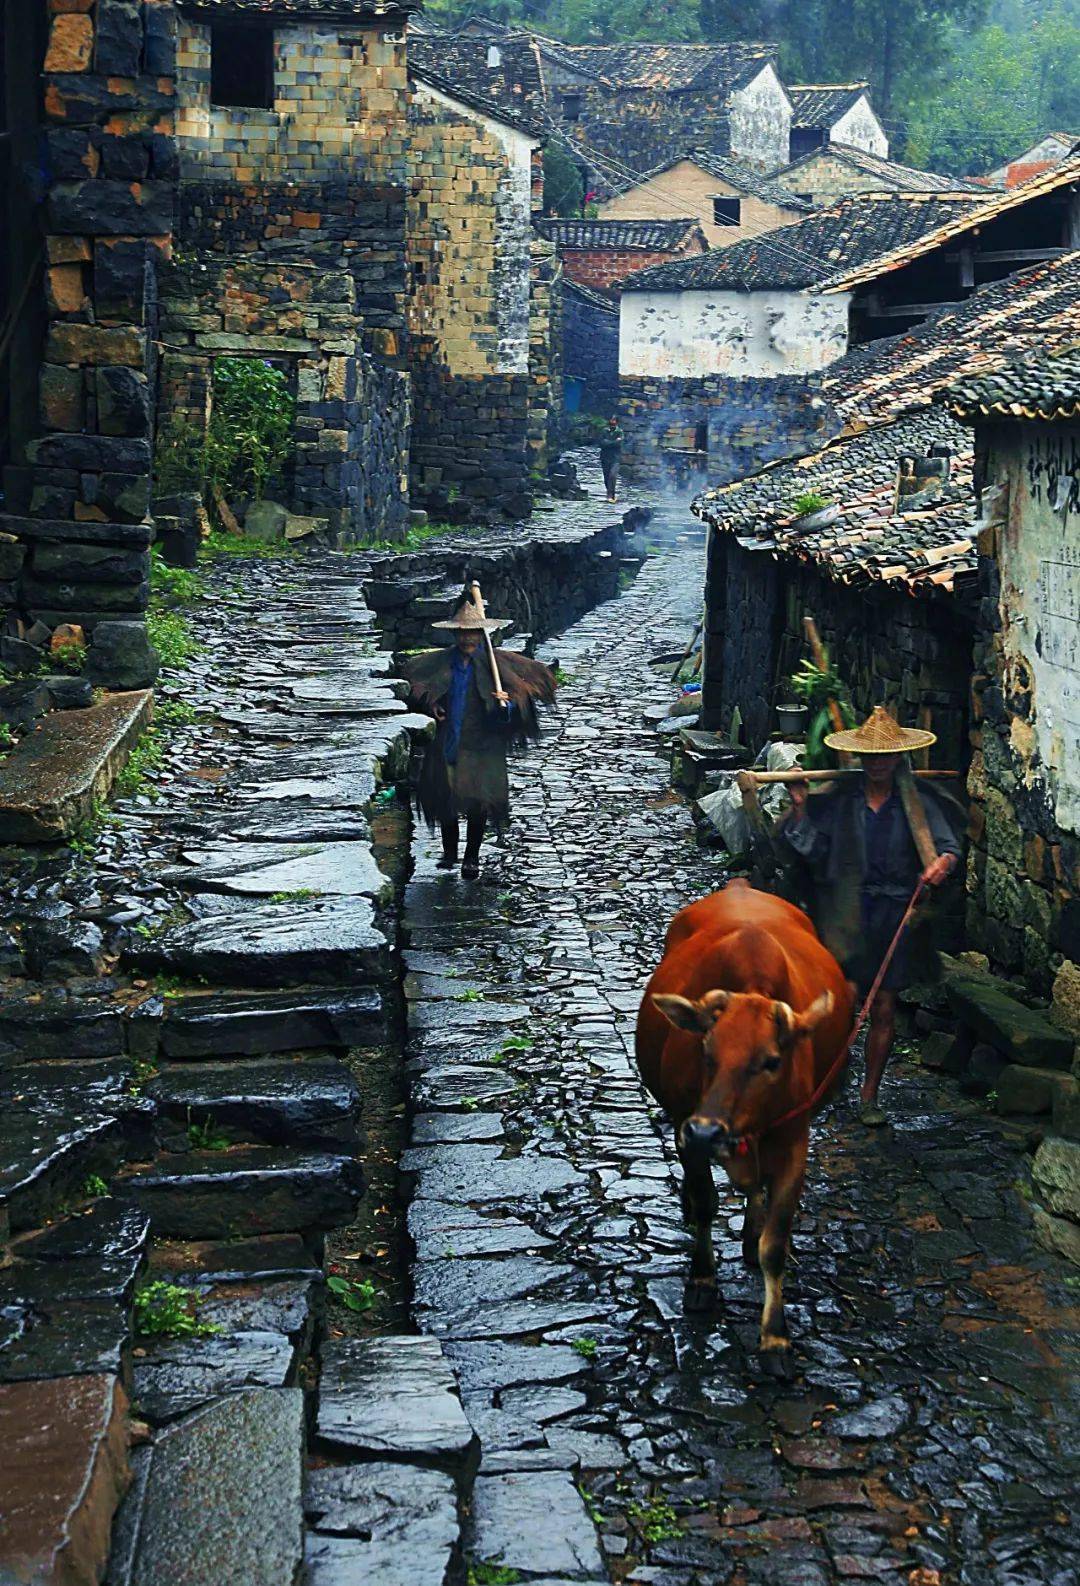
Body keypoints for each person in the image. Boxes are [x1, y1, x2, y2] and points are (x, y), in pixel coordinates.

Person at [782, 707, 961, 1127]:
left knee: (883, 1005)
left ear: (898, 758)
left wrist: (943, 863)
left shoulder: (918, 802)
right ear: (860, 760)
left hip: (896, 911)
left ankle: (869, 1095)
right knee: (840, 998)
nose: (878, 764)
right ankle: (827, 1080)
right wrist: (801, 811)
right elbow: (811, 852)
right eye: (871, 757)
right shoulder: (841, 801)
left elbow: (948, 846)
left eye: (886, 757)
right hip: (847, 911)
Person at [401, 589, 556, 879]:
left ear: (481, 634)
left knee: (479, 800)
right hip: (448, 739)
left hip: (482, 742)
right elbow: (415, 683)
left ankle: (471, 857)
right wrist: (431, 704)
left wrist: (505, 703)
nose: (468, 639)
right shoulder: (440, 662)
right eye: (462, 634)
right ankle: (449, 852)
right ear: (454, 636)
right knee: (445, 796)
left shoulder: (498, 665)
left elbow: (525, 691)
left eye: (473, 634)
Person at [599, 416, 624, 502]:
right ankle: (609, 492)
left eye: (614, 420)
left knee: (613, 475)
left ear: (617, 422)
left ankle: (611, 495)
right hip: (605, 457)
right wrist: (614, 442)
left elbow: (619, 443)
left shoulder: (620, 432)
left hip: (615, 458)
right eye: (611, 419)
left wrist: (608, 442)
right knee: (606, 477)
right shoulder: (604, 431)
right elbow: (602, 443)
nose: (612, 421)